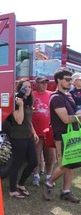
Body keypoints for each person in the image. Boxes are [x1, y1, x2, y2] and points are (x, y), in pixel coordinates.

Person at [43, 67, 80, 203]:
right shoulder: (56, 97)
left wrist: (78, 115)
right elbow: (65, 119)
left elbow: (74, 113)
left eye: (71, 79)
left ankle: (66, 192)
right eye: (67, 79)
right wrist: (78, 117)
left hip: (72, 134)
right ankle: (48, 184)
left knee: (71, 164)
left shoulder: (68, 95)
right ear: (58, 80)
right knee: (65, 164)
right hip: (62, 136)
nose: (70, 82)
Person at [9, 78, 38, 199]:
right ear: (19, 88)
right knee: (16, 164)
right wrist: (20, 105)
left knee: (33, 162)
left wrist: (34, 132)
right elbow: (19, 120)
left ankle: (20, 184)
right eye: (24, 87)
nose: (28, 89)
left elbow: (28, 121)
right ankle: (12, 190)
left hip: (27, 136)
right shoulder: (15, 101)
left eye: (30, 87)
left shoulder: (27, 101)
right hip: (18, 137)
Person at [32, 76, 56, 186]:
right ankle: (36, 175)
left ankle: (49, 176)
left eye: (46, 83)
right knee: (35, 154)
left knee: (50, 155)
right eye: (42, 83)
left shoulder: (51, 94)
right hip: (36, 131)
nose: (44, 85)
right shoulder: (32, 95)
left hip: (49, 131)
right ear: (36, 84)